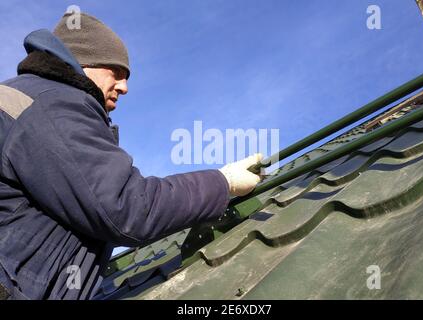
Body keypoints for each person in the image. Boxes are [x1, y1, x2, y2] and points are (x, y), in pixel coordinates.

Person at [0, 12, 263, 300]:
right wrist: (222, 183)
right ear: (85, 63)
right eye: (117, 72)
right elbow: (126, 208)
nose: (125, 87)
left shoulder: (27, 97)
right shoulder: (53, 101)